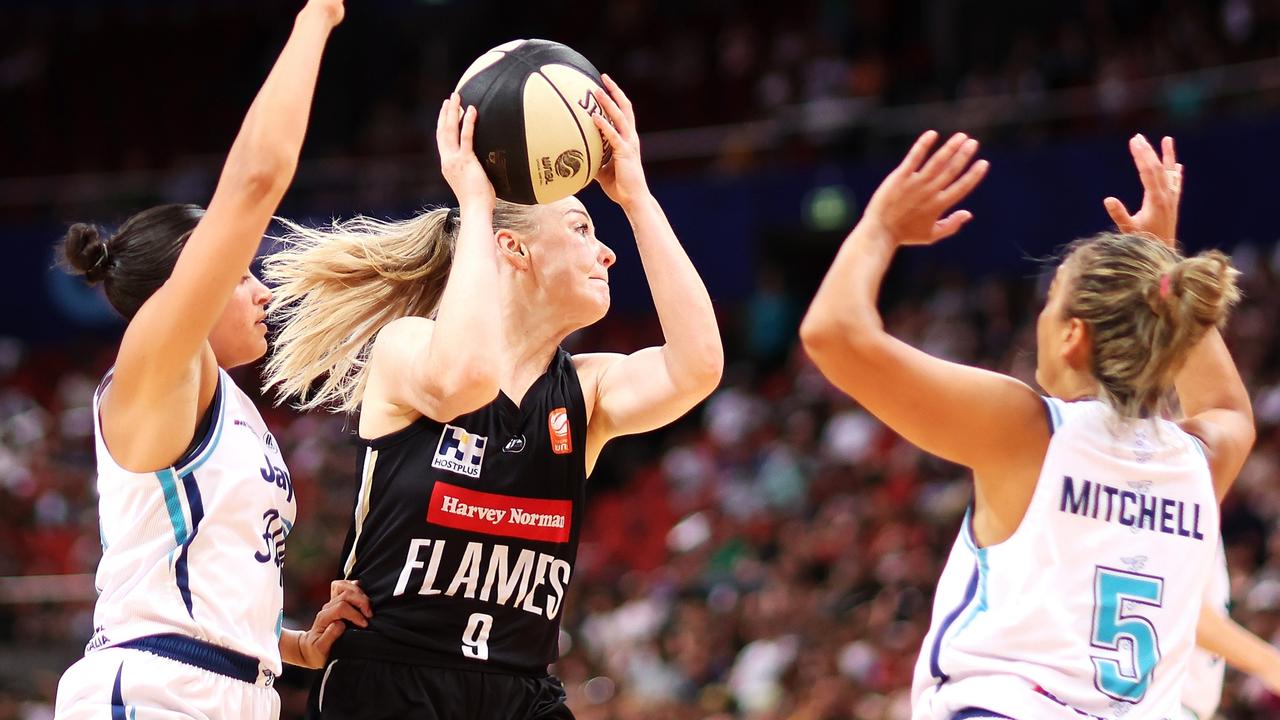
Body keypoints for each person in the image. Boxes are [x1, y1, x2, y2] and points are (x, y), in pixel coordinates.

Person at [262, 76, 723, 719]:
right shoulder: (408, 348)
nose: (608, 252)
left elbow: (698, 367)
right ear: (513, 249)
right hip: (394, 684)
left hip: (522, 691)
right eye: (584, 227)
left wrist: (638, 198)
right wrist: (476, 206)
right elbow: (463, 382)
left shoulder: (584, 391)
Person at [800, 130, 1254, 720]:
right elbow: (1228, 405)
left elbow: (832, 335)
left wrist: (880, 226)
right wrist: (1160, 259)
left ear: (1072, 334)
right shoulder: (1202, 459)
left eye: (1050, 301)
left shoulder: (1030, 430)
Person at [53, 3, 370, 719]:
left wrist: (288, 644)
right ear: (184, 284)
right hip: (153, 693)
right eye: (240, 272)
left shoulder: (226, 404)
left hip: (230, 692)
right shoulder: (160, 362)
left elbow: (186, 583)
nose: (260, 290)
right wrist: (317, 16)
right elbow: (256, 181)